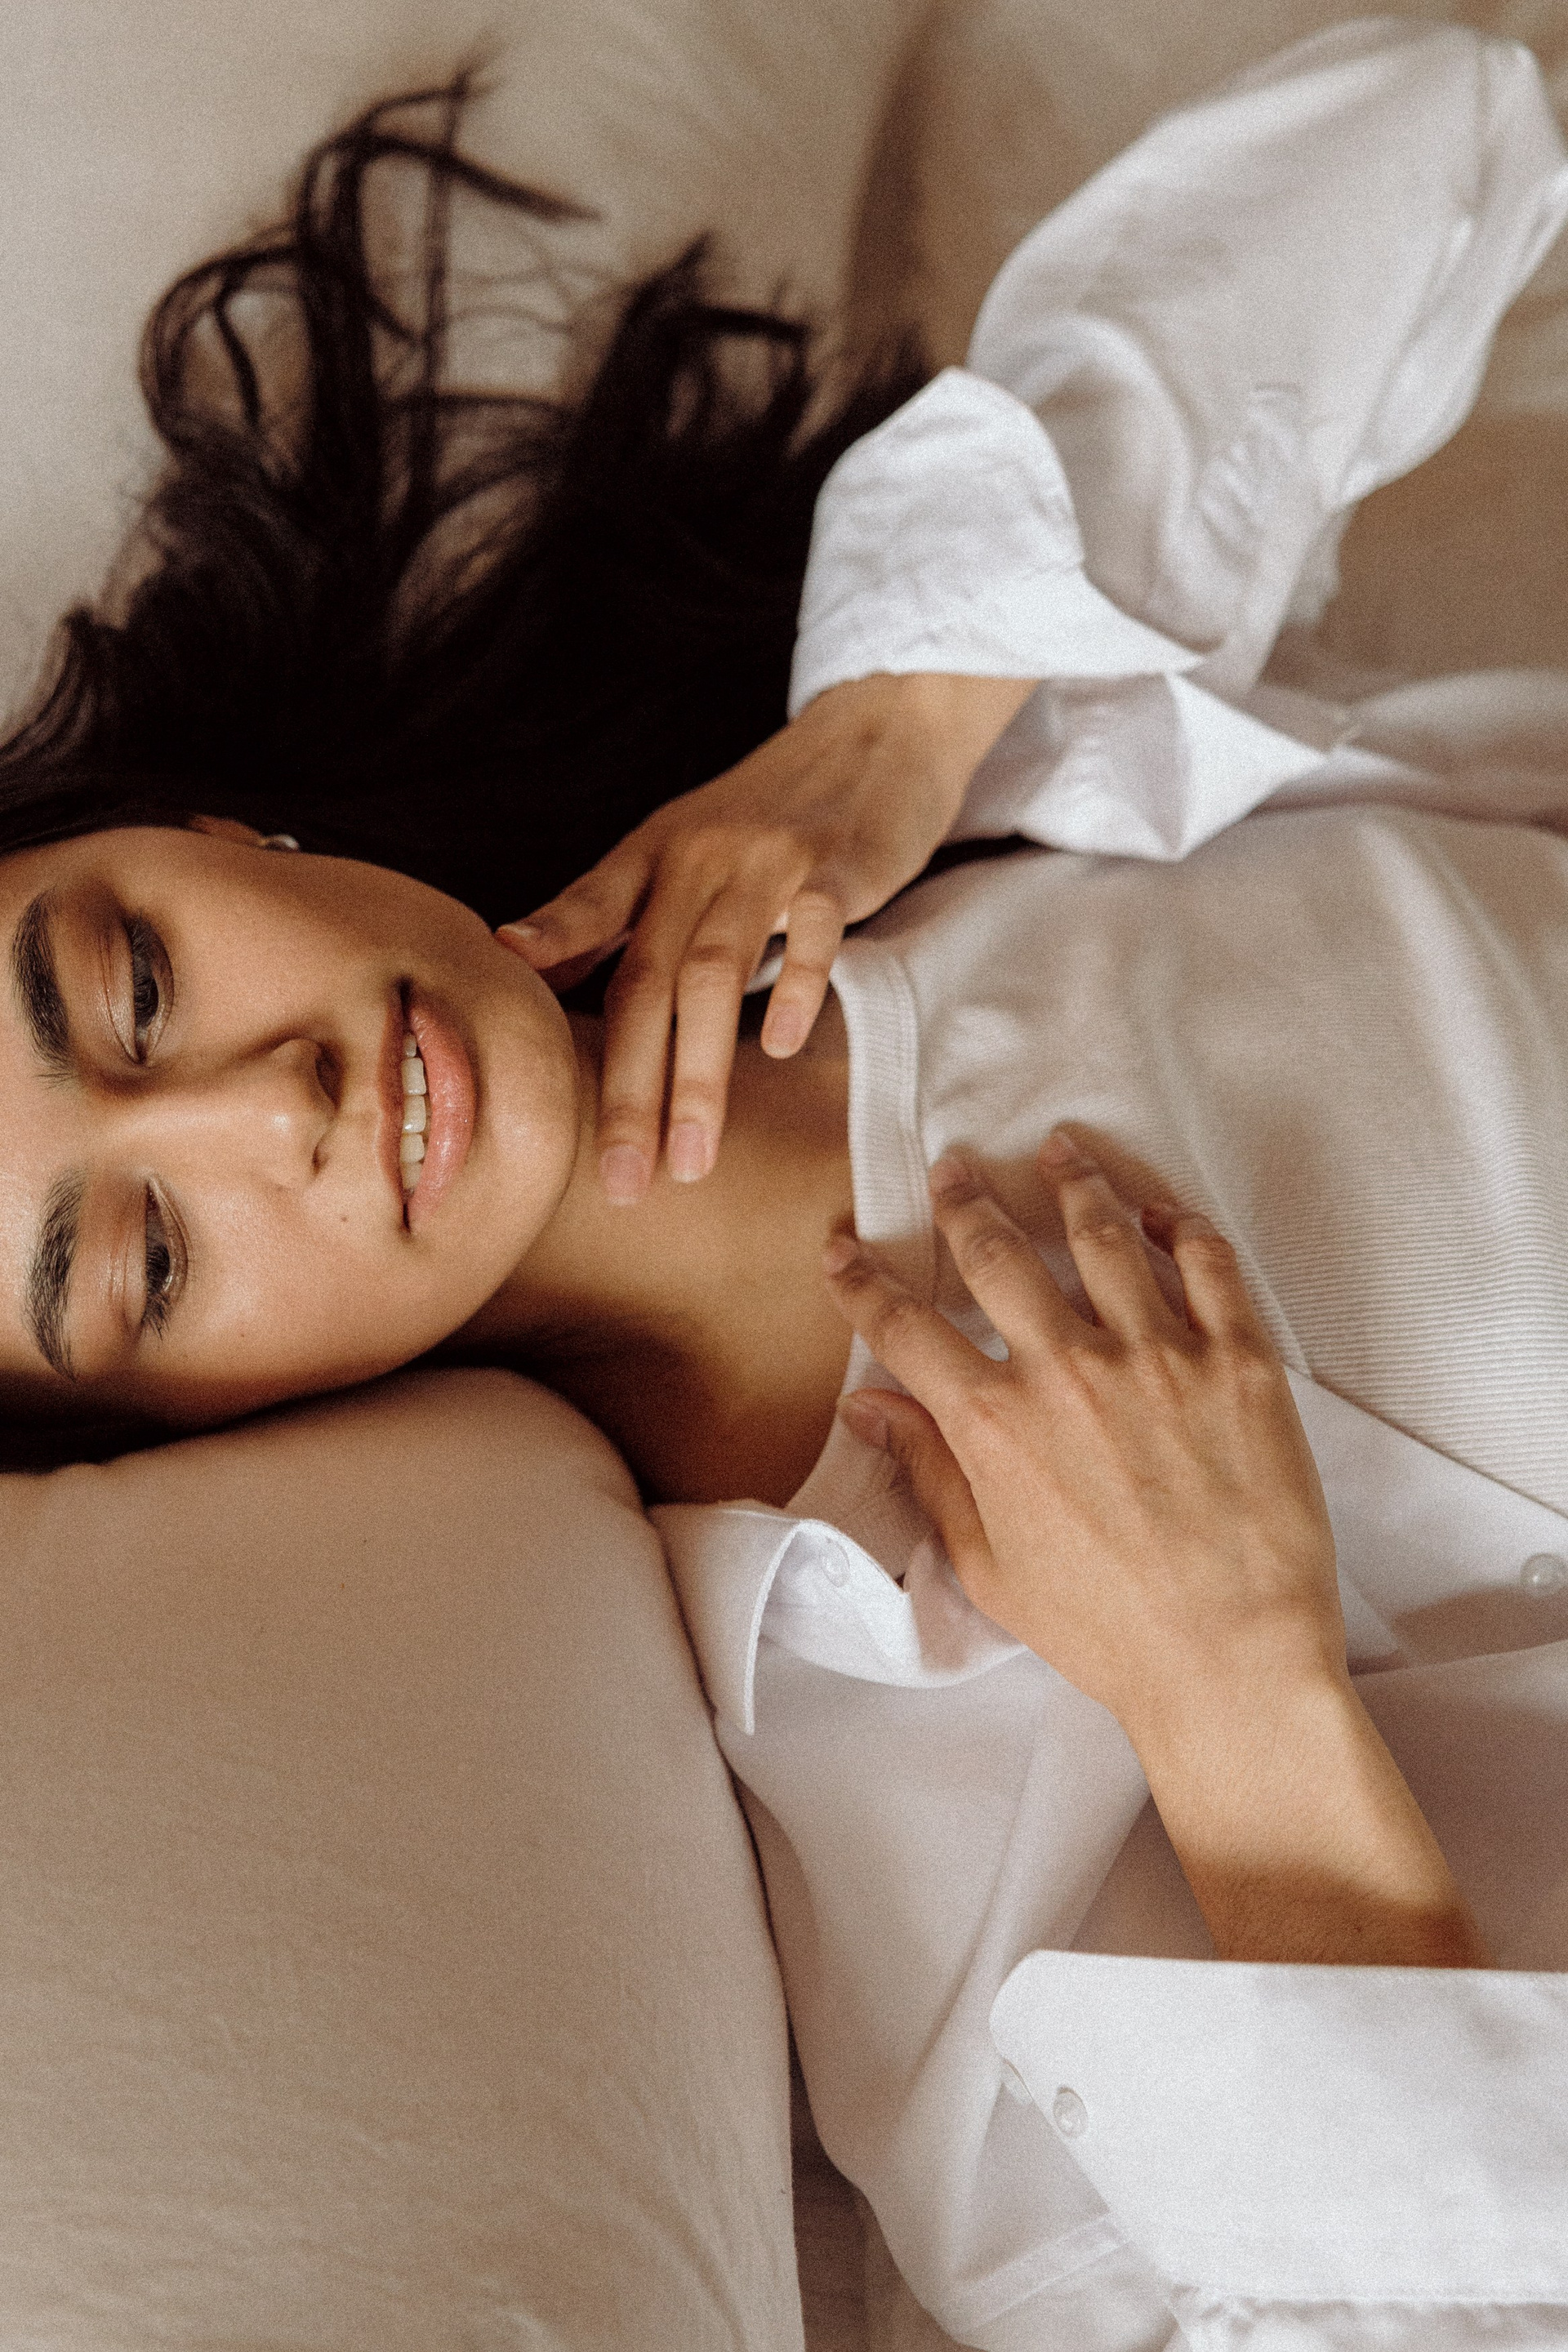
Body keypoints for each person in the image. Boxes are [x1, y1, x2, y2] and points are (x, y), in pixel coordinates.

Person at [0, 15, 1566, 2343]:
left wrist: (889, 724)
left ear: (216, 834)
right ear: (188, 1431)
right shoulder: (846, 1678)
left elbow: (1445, 120)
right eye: (145, 1258)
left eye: (132, 984)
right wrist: (1238, 1693)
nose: (269, 1105)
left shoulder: (971, 777)